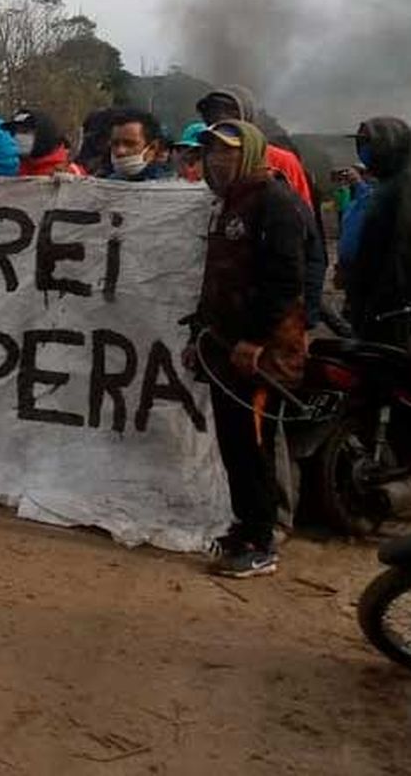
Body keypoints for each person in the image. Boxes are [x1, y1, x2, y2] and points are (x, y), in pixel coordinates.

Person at [190, 120, 308, 578]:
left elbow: (285, 283)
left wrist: (255, 340)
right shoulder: (229, 204)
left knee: (254, 444)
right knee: (233, 442)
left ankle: (263, 542)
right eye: (212, 151)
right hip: (225, 348)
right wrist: (199, 336)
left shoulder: (275, 203)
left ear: (252, 153)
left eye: (226, 151)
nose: (216, 160)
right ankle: (245, 526)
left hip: (260, 354)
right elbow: (217, 279)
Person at [344, 116, 411, 346]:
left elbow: (398, 256)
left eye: (369, 144)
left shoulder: (402, 187)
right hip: (372, 302)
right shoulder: (386, 184)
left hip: (390, 313)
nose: (364, 151)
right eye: (361, 144)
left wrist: (375, 310)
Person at [196, 86, 313, 207]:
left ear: (247, 116)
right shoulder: (208, 157)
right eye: (211, 114)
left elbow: (303, 213)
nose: (219, 119)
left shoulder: (282, 160)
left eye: (229, 112)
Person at [103, 108, 172, 181]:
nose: (120, 151)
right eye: (115, 144)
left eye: (130, 144)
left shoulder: (168, 186)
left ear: (152, 148)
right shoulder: (106, 184)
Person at [9, 110, 80, 177]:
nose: (18, 136)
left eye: (25, 131)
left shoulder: (69, 172)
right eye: (15, 131)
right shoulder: (13, 167)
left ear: (43, 135)